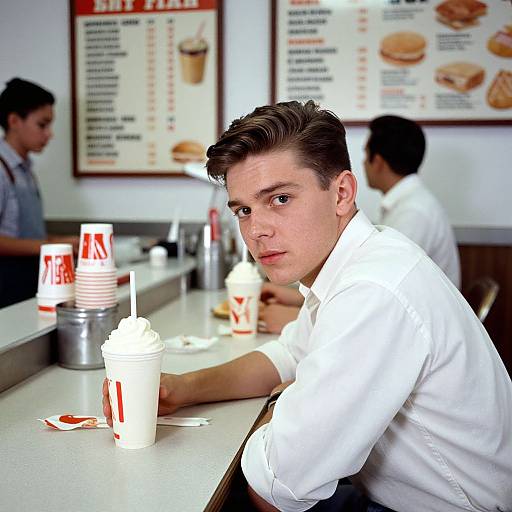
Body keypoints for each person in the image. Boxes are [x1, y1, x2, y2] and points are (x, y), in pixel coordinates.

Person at [103, 101, 512, 512]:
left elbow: (278, 489)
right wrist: (182, 389)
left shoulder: (372, 291)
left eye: (280, 198)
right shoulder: (350, 261)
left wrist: (284, 400)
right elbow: (287, 354)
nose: (257, 230)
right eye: (243, 210)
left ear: (342, 193)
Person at [0, 78, 78, 308]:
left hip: (29, 280)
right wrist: (51, 247)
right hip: (6, 285)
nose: (49, 134)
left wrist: (60, 242)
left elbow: (25, 233)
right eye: (42, 125)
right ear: (14, 121)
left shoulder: (26, 171)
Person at [364, 115, 461, 288]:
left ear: (378, 162)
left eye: (366, 154)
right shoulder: (410, 201)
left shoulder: (413, 212)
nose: (363, 163)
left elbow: (386, 276)